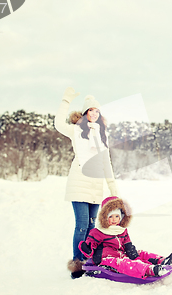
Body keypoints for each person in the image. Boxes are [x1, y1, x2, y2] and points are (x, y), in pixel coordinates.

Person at [55, 87, 118, 279]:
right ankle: (77, 264)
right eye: (90, 110)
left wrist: (113, 188)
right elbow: (58, 124)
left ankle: (88, 262)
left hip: (95, 185)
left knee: (92, 227)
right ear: (85, 113)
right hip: (79, 181)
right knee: (81, 225)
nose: (94, 113)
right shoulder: (76, 130)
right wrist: (66, 100)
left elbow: (106, 163)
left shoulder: (102, 135)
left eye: (97, 110)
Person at [79, 196, 172, 278]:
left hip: (121, 253)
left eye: (117, 216)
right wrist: (87, 250)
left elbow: (128, 244)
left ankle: (163, 260)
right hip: (105, 259)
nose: (114, 220)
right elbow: (90, 248)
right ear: (104, 217)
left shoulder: (122, 230)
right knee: (125, 263)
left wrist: (134, 256)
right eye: (110, 217)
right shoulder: (98, 232)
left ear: (121, 217)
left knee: (140, 253)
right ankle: (150, 269)